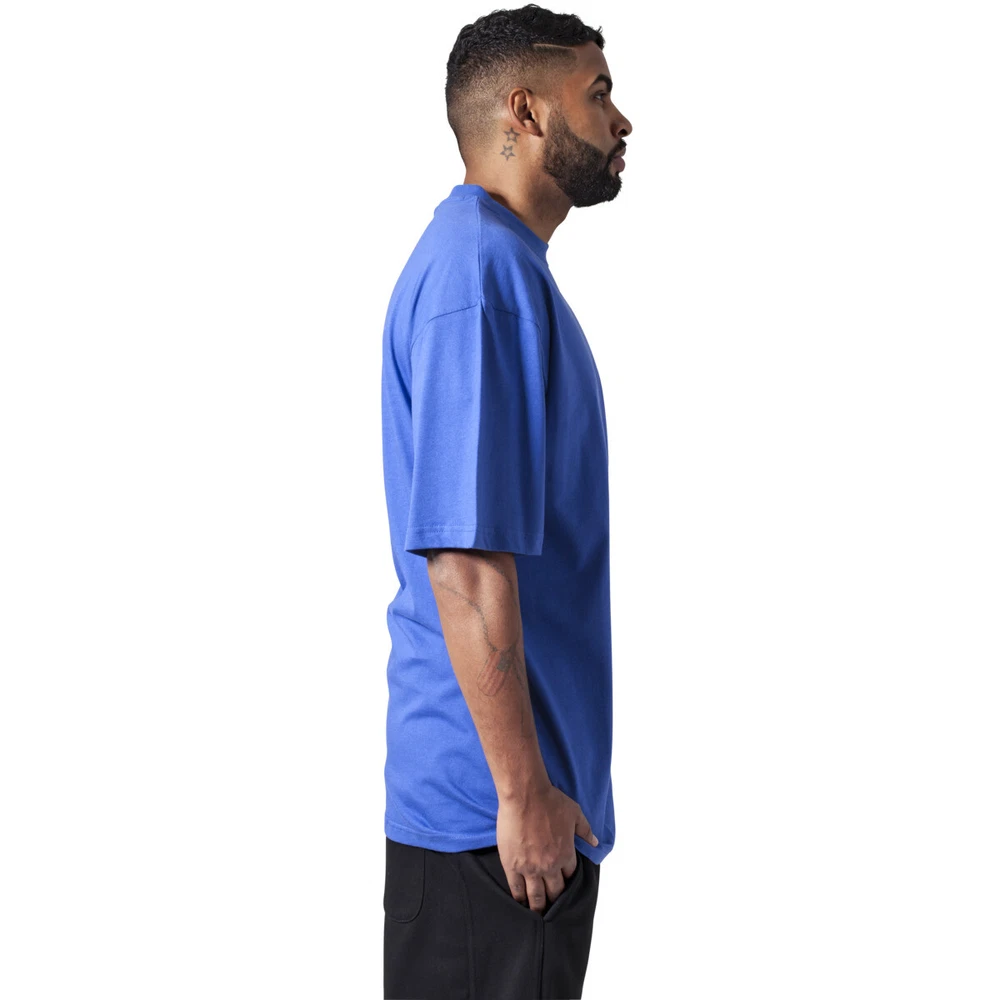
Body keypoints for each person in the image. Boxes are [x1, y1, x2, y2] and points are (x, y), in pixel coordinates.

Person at [379, 5, 632, 997]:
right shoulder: (478, 276)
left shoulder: (500, 267)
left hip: (510, 817)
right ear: (524, 112)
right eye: (597, 93)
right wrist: (523, 794)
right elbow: (465, 558)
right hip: (492, 824)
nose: (621, 121)